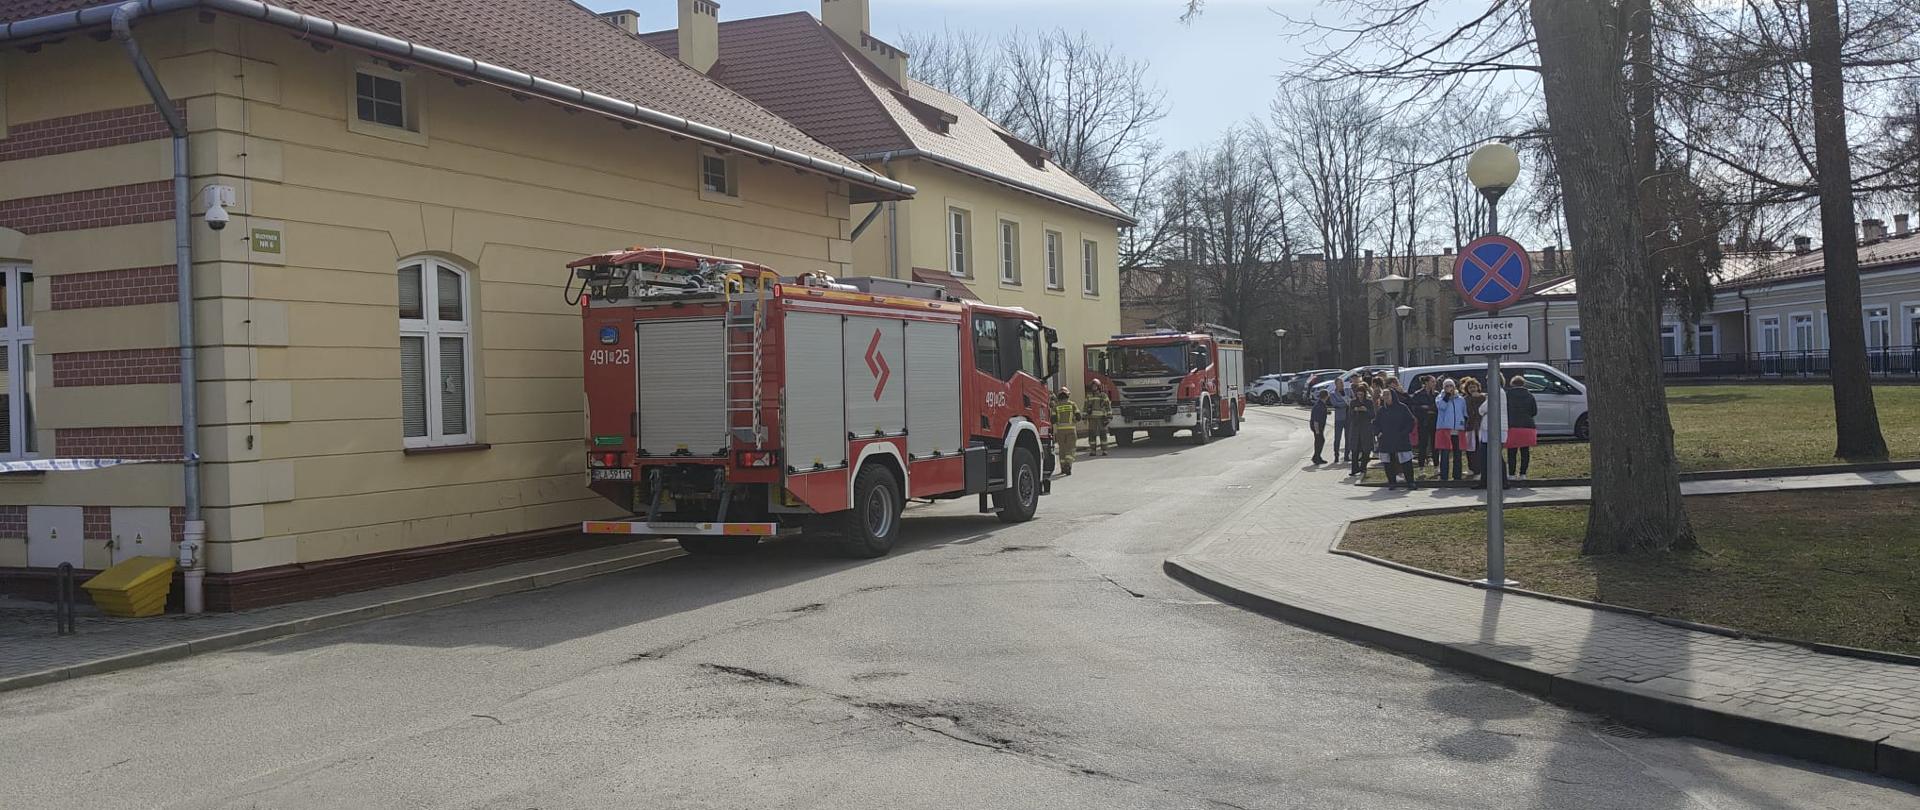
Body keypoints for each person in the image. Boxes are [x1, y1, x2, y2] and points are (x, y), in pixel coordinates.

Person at [1373, 388, 1419, 490]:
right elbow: (1376, 423)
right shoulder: (1382, 410)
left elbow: (1411, 421)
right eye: (1384, 395)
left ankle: (1410, 482)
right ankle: (1392, 482)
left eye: (1387, 395)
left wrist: (1405, 432)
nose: (1385, 397)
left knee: (1406, 461)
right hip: (1386, 440)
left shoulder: (1402, 408)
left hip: (1401, 438)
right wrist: (1379, 433)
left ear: (1393, 395)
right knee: (1388, 462)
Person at [1432, 378, 1470, 482]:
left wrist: (1464, 422)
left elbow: (1464, 412)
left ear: (1454, 387)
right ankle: (1444, 476)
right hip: (1445, 429)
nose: (1449, 388)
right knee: (1445, 453)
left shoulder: (1460, 399)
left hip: (1458, 429)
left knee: (1457, 454)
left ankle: (1457, 476)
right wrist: (1447, 396)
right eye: (1447, 386)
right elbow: (1442, 407)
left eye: (1451, 386)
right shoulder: (1440, 398)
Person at [1505, 374, 1540, 482]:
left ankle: (1511, 474)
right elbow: (1534, 411)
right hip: (1527, 426)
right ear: (1523, 384)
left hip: (1512, 426)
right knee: (1525, 451)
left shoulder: (1508, 395)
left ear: (1512, 384)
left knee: (1512, 451)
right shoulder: (1530, 395)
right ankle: (1523, 474)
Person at [1409, 375, 1438, 469]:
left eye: (1434, 382)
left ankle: (1436, 465)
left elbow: (1438, 406)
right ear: (1426, 383)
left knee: (1435, 444)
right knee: (1423, 444)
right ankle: (1421, 466)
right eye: (1432, 381)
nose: (1434, 383)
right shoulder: (1418, 394)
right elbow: (1413, 407)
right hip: (1423, 422)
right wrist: (1422, 408)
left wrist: (1429, 408)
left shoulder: (1436, 394)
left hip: (1434, 422)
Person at [1348, 383, 1377, 480]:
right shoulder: (1353, 402)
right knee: (1355, 449)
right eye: (1358, 394)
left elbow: (1373, 415)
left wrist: (1366, 410)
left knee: (1366, 449)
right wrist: (1355, 410)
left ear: (1364, 394)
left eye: (1361, 394)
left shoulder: (1368, 402)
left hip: (1366, 428)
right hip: (1356, 428)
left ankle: (1363, 467)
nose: (1359, 396)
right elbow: (1350, 415)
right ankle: (1354, 468)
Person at [1462, 377, 1488, 481]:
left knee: (1479, 448)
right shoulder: (1465, 399)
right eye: (1470, 387)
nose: (1472, 389)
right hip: (1470, 426)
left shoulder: (1483, 397)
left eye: (1474, 387)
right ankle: (1471, 468)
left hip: (1481, 426)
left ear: (1478, 387)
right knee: (1470, 448)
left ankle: (1480, 469)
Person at [1053, 387, 1078, 476]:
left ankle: (1063, 467)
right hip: (1071, 430)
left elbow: (1053, 419)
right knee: (1070, 448)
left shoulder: (1056, 406)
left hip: (1060, 431)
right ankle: (1068, 464)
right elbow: (1078, 416)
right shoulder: (1072, 404)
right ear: (1068, 395)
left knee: (1062, 449)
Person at [1084, 382, 1113, 457]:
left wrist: (1109, 416)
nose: (1094, 387)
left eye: (1095, 386)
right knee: (1091, 435)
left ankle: (1104, 450)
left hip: (1101, 418)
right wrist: (1084, 417)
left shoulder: (1103, 395)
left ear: (1098, 387)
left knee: (1103, 434)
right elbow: (1085, 407)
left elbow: (1108, 406)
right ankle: (1093, 450)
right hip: (1092, 419)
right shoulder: (1089, 396)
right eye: (1093, 386)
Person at [1328, 379, 1350, 464]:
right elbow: (1335, 404)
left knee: (1348, 437)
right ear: (1336, 385)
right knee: (1337, 438)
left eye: (1342, 383)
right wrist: (1345, 403)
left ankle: (1346, 456)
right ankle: (1336, 456)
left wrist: (1345, 402)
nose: (1342, 385)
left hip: (1348, 418)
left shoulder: (1348, 391)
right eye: (1340, 383)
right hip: (1339, 418)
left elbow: (1352, 400)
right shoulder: (1333, 394)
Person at [1309, 389, 1331, 464]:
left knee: (1319, 441)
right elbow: (1316, 420)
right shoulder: (1319, 405)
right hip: (1317, 426)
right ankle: (1316, 457)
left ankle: (1317, 456)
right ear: (1326, 396)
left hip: (1319, 426)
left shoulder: (1321, 404)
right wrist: (1317, 430)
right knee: (1320, 440)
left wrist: (1327, 412)